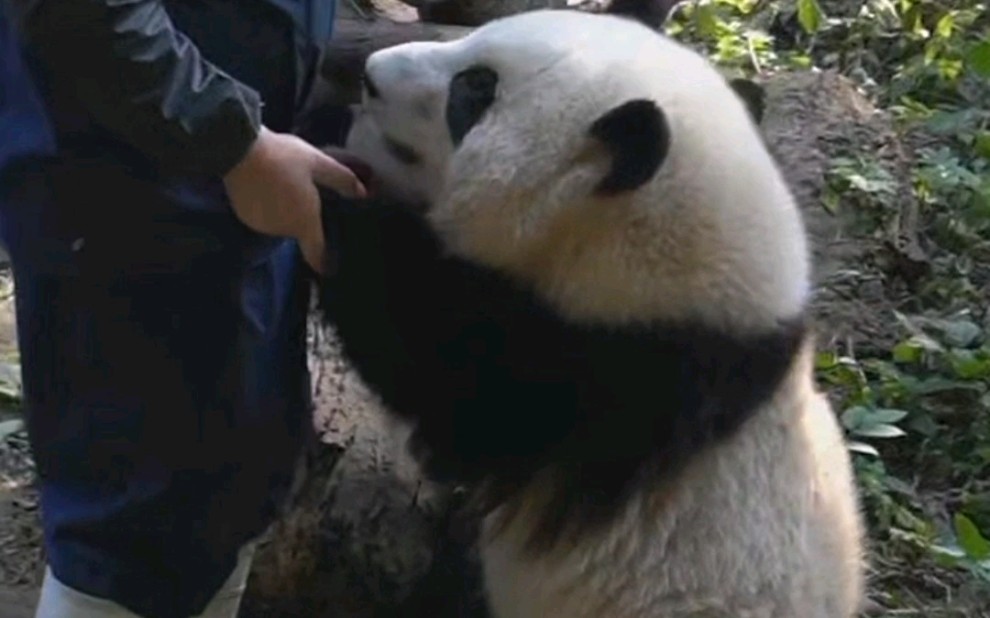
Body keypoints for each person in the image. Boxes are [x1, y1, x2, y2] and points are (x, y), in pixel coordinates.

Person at [0, 0, 367, 616]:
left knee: (224, 497)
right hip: (135, 172)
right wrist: (231, 141)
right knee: (135, 534)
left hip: (236, 158)